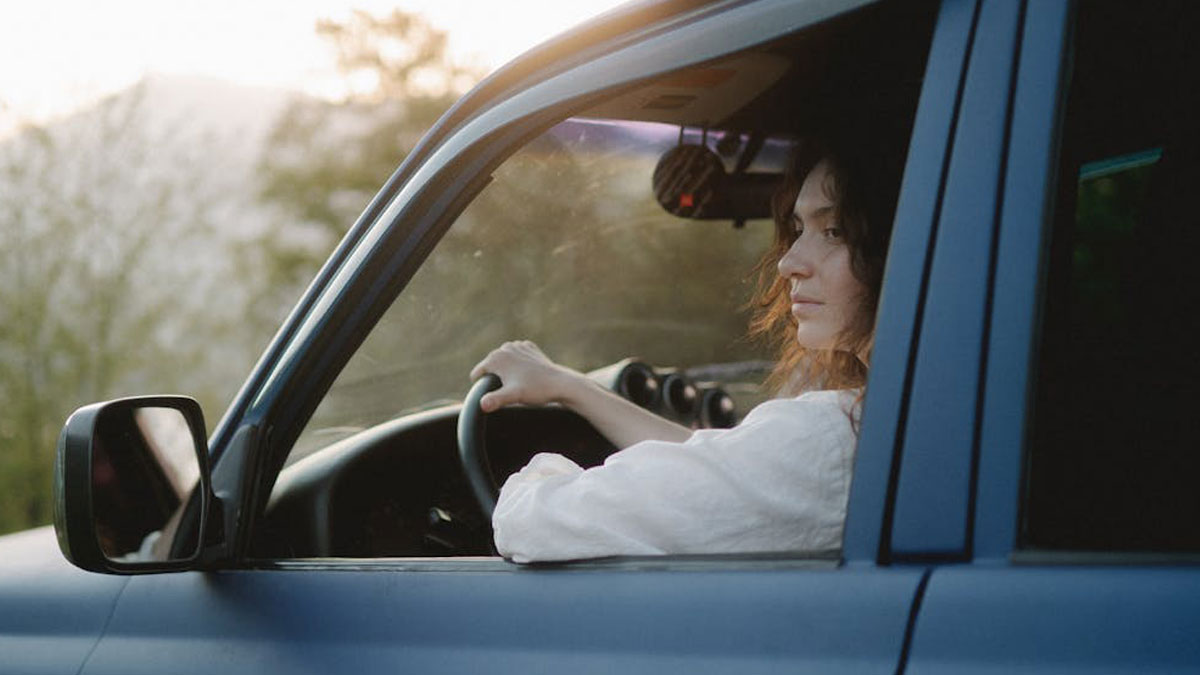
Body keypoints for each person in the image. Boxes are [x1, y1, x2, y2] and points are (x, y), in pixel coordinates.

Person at [470, 137, 897, 562]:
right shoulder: (891, 428)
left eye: (834, 231)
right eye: (800, 230)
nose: (789, 263)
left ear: (902, 248)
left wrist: (538, 478)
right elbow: (728, 472)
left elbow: (533, 524)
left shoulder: (835, 440)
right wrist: (570, 387)